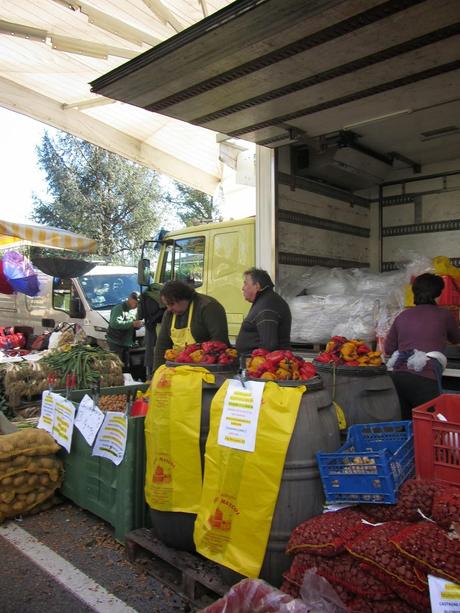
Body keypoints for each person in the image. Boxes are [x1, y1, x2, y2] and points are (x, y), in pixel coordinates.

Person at [384, 273, 460, 420]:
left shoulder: (402, 315)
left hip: (398, 377)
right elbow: (456, 338)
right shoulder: (444, 315)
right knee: (430, 424)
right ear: (439, 293)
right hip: (425, 376)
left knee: (405, 424)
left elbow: (388, 348)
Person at [152, 280, 229, 372]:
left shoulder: (208, 307)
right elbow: (162, 345)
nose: (169, 309)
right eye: (167, 305)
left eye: (171, 304)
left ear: (183, 298)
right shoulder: (169, 314)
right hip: (177, 369)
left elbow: (220, 341)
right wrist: (156, 373)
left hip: (207, 369)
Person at [235, 267, 291, 355]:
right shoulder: (265, 300)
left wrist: (255, 365)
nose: (243, 288)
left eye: (245, 284)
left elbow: (268, 345)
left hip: (260, 364)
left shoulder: (267, 306)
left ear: (257, 286)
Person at [106, 291, 143, 366]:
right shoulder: (119, 308)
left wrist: (137, 326)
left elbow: (131, 325)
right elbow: (114, 324)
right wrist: (132, 324)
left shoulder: (135, 310)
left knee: (126, 365)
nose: (137, 305)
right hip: (116, 342)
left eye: (138, 303)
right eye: (136, 302)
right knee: (117, 365)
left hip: (127, 343)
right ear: (130, 299)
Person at [138, 282, 165, 378]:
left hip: (151, 327)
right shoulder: (164, 292)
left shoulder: (144, 295)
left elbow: (139, 315)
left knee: (150, 351)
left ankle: (151, 375)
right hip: (164, 325)